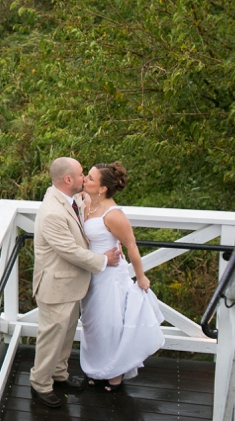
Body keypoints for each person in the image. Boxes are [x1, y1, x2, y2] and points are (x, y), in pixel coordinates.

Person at [30, 157, 122, 409]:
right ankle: (41, 384)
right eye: (82, 174)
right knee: (51, 338)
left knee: (66, 334)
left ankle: (59, 373)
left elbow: (82, 207)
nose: (85, 178)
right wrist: (103, 259)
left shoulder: (70, 200)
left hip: (71, 285)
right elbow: (70, 250)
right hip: (55, 286)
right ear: (68, 179)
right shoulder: (51, 212)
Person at [78, 162, 165, 392]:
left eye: (90, 178)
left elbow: (131, 246)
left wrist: (141, 277)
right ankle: (96, 369)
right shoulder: (87, 202)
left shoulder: (113, 214)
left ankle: (114, 375)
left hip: (111, 276)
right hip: (93, 272)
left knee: (110, 324)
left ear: (103, 189)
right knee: (92, 323)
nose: (85, 180)